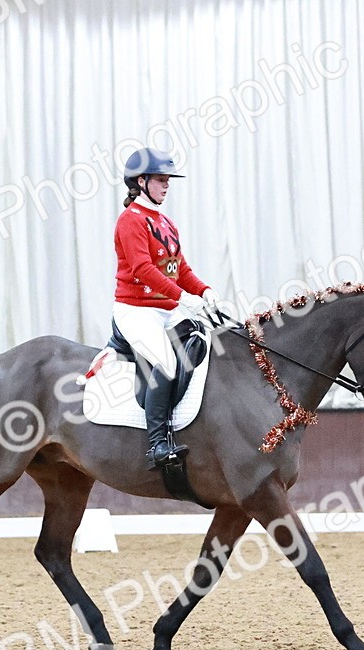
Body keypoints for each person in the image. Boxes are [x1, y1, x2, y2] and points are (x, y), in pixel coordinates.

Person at [113, 147, 220, 471]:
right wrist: (182, 296)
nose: (166, 185)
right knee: (168, 359)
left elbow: (179, 268)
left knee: (205, 342)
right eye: (161, 180)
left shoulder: (165, 222)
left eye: (167, 180)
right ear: (141, 181)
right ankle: (158, 443)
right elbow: (143, 269)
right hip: (136, 309)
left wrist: (203, 290)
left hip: (167, 306)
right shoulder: (130, 221)